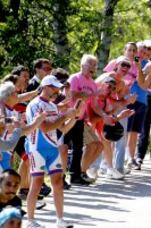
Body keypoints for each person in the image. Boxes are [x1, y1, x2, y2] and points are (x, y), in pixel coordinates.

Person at [25, 75, 80, 228]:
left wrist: (74, 117)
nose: (57, 91)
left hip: (52, 148)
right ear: (46, 87)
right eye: (54, 87)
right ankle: (30, 220)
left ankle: (60, 219)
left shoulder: (53, 106)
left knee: (58, 182)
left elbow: (62, 129)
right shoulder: (34, 105)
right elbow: (46, 127)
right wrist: (64, 116)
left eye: (58, 88)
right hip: (37, 148)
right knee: (36, 183)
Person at [67, 54, 101, 185]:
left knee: (78, 148)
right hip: (68, 117)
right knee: (64, 147)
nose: (92, 67)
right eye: (90, 64)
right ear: (82, 65)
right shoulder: (75, 78)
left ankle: (76, 176)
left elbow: (94, 104)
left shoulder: (93, 83)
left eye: (94, 65)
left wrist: (103, 116)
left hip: (80, 118)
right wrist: (90, 94)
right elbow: (73, 95)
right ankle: (66, 176)